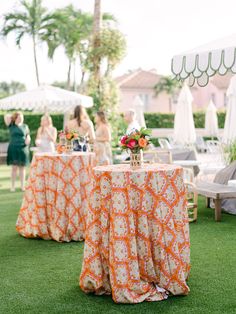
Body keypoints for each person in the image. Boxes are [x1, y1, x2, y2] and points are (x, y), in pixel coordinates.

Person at [4, 112, 30, 192]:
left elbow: (28, 136)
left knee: (22, 168)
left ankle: (22, 186)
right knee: (14, 168)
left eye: (22, 117)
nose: (21, 118)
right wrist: (14, 116)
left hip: (23, 148)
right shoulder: (11, 125)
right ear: (15, 118)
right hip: (14, 148)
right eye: (19, 117)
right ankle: (12, 186)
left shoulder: (25, 126)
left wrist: (28, 140)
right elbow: (6, 116)